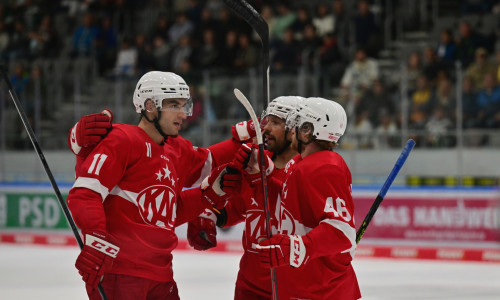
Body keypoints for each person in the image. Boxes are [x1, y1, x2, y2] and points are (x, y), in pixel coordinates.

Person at [66, 71, 242, 300]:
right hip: (120, 273)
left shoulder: (178, 149)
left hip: (162, 275)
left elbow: (170, 210)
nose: (183, 114)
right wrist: (96, 236)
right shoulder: (122, 140)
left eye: (184, 105)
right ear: (150, 106)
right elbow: (85, 193)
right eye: (174, 105)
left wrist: (249, 140)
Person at [188, 96, 305, 299]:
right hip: (249, 286)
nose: (266, 128)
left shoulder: (308, 170)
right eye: (265, 122)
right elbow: (235, 210)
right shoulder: (255, 164)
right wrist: (209, 213)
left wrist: (267, 177)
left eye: (275, 123)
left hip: (294, 288)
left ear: (296, 129)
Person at [248, 97, 361, 299]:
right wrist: (268, 173)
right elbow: (295, 202)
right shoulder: (300, 162)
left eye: (296, 123)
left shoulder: (326, 166)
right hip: (302, 284)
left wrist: (295, 247)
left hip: (322, 290)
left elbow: (341, 231)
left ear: (307, 130)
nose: (291, 128)